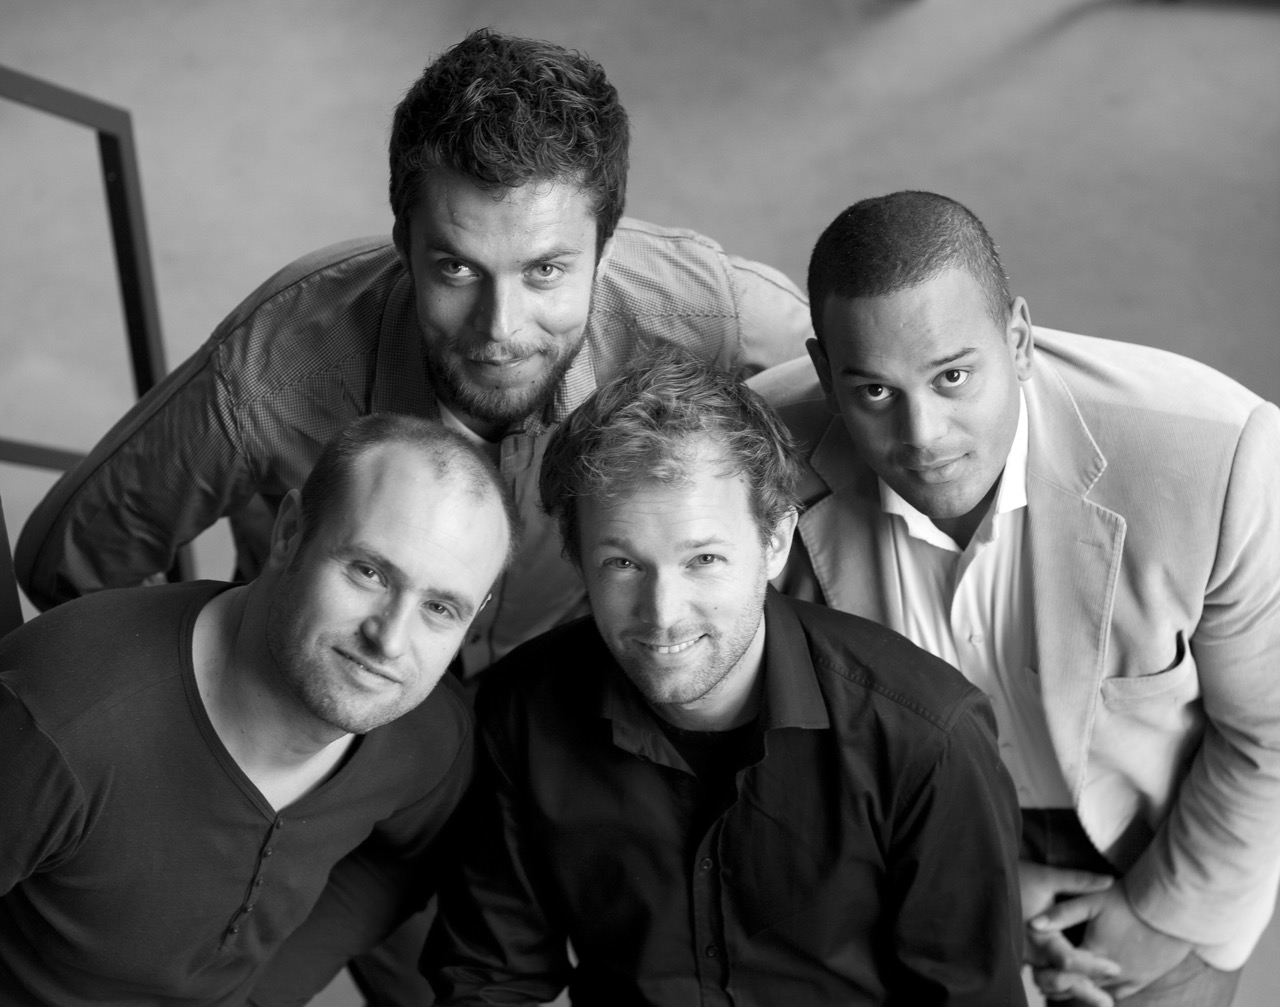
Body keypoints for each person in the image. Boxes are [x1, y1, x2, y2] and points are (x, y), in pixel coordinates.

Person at [15, 27, 811, 682]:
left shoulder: (703, 309)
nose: (500, 327)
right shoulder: (275, 369)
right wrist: (217, 690)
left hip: (569, 692)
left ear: (605, 249)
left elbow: (857, 383)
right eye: (457, 268)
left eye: (545, 271)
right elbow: (72, 561)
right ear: (404, 240)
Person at [752, 190, 1280, 1006]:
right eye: (876, 393)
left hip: (1158, 844)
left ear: (1021, 340)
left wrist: (1155, 914)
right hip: (902, 847)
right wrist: (973, 881)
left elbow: (1269, 732)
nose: (924, 435)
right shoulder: (753, 461)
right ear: (826, 374)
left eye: (953, 376)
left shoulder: (1217, 457)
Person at [426, 349, 1026, 1006]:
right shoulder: (522, 709)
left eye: (703, 559)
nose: (662, 614)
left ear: (776, 540)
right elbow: (489, 979)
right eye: (623, 563)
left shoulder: (926, 738)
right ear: (576, 556)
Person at [0, 414, 515, 1006]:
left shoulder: (428, 737)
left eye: (440, 608)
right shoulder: (56, 721)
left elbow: (395, 867)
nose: (390, 641)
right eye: (369, 572)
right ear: (290, 533)